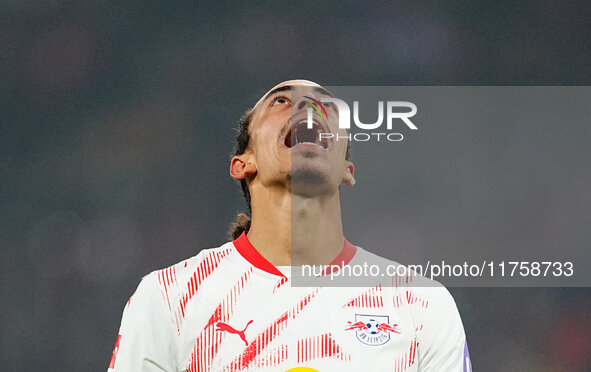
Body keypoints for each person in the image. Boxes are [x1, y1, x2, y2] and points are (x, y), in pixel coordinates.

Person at [108, 80, 471, 371]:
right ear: (243, 163)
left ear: (347, 169)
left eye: (326, 107)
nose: (308, 108)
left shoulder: (420, 303)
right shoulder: (170, 297)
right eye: (281, 101)